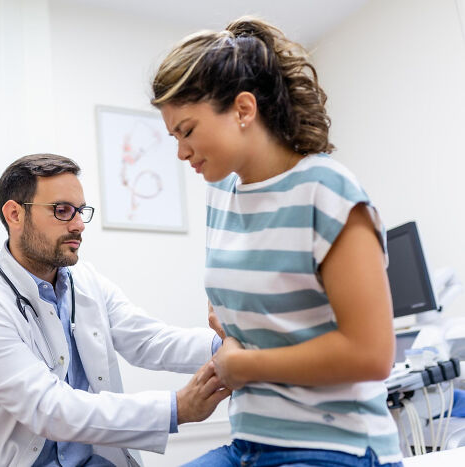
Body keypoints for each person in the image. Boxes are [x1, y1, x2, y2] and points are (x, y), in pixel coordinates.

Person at [150, 16, 403, 467]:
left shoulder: (327, 191)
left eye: (187, 131)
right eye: (174, 137)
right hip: (249, 441)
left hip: (335, 446)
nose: (181, 152)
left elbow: (371, 354)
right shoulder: (222, 197)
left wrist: (245, 366)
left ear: (244, 110)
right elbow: (231, 317)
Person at [0, 154, 231, 467]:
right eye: (62, 210)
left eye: (81, 211)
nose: (79, 225)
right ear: (14, 214)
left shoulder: (87, 283)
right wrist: (176, 408)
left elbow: (148, 340)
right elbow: (49, 408)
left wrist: (226, 345)